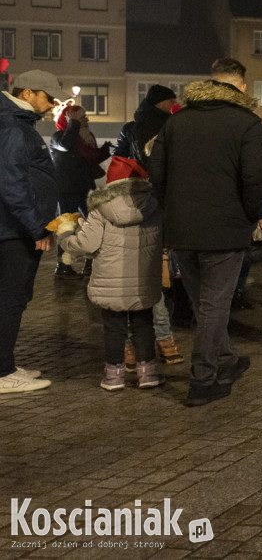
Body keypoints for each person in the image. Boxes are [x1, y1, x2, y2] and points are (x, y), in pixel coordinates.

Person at [149, 58, 262, 407]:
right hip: (225, 228)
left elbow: (156, 171)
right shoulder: (247, 122)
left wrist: (171, 207)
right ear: (241, 87)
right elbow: (256, 177)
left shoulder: (177, 121)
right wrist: (253, 213)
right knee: (215, 304)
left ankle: (226, 359)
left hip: (183, 227)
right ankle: (202, 379)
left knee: (206, 302)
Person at [55, 157, 164, 391]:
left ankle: (114, 376)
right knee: (144, 324)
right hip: (144, 279)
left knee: (114, 328)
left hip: (109, 281)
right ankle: (148, 373)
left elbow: (86, 245)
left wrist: (65, 235)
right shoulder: (154, 205)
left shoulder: (101, 209)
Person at [0, 69, 63, 394]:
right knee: (11, 299)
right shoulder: (13, 126)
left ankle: (5, 363)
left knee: (12, 298)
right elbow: (12, 183)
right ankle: (3, 372)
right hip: (14, 231)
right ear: (27, 93)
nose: (52, 105)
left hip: (14, 228)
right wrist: (37, 227)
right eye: (48, 97)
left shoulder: (14, 122)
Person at [112, 84, 184, 365]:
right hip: (163, 204)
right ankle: (165, 341)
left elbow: (118, 158)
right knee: (161, 275)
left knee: (138, 276)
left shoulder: (131, 126)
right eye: (171, 101)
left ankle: (133, 347)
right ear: (164, 103)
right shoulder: (172, 125)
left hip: (134, 201)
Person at [50, 104, 112, 277]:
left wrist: (103, 151)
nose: (87, 120)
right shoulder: (59, 136)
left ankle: (90, 262)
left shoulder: (85, 139)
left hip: (86, 188)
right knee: (66, 228)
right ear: (71, 120)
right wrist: (74, 125)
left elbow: (89, 161)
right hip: (67, 190)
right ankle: (63, 265)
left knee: (95, 224)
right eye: (82, 118)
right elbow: (65, 145)